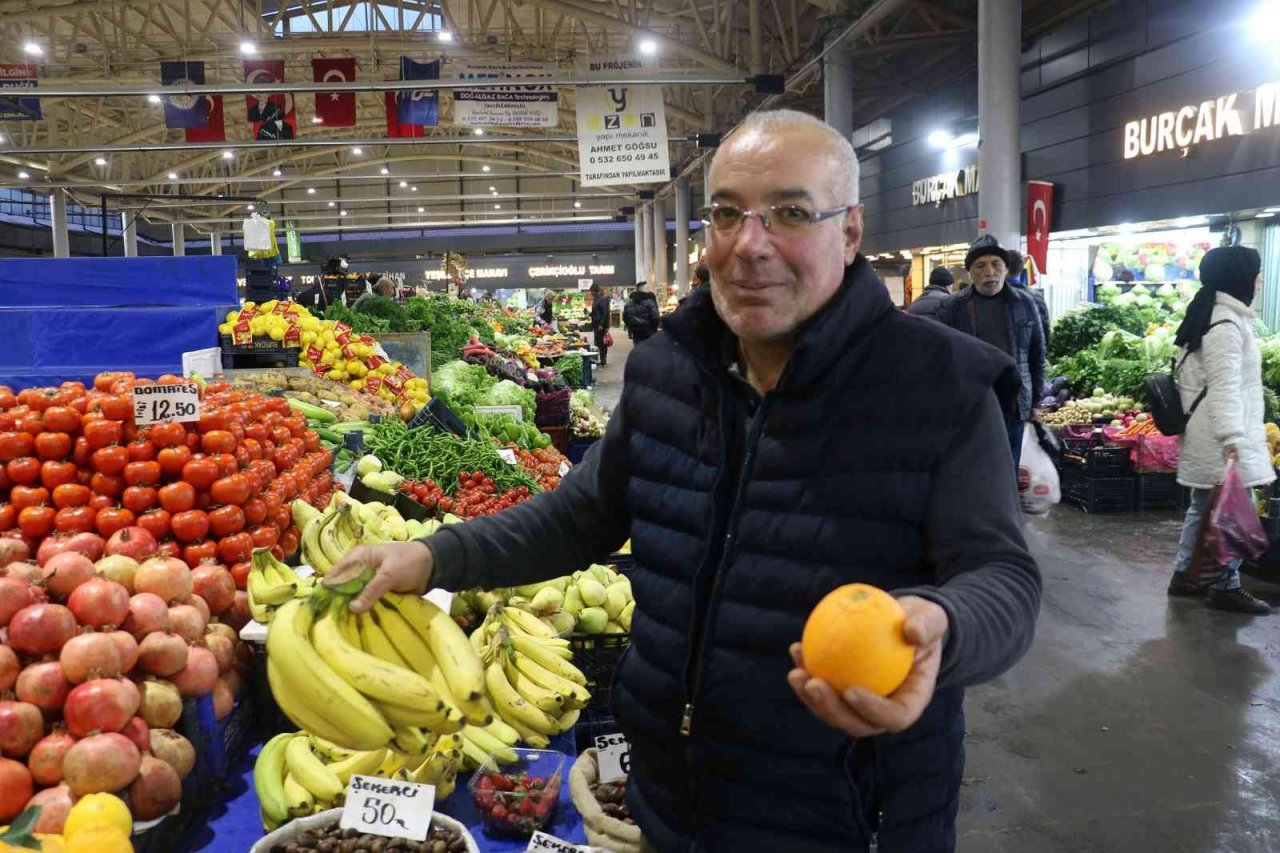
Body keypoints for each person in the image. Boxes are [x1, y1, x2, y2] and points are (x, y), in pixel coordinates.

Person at [324, 109, 1041, 853]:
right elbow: (580, 516)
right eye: (727, 214)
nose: (749, 245)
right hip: (672, 800)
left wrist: (942, 628)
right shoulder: (667, 368)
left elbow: (1005, 579)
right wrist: (436, 555)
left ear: (851, 231)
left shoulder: (939, 383)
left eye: (790, 213)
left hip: (851, 814)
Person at [1167, 245, 1271, 614]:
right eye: (1256, 271)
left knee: (1205, 505)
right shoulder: (1226, 323)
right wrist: (1231, 437)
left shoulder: (1212, 313)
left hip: (1208, 427)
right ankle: (1225, 585)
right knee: (1227, 509)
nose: (1260, 279)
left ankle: (1187, 574)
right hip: (1221, 430)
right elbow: (1226, 384)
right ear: (1238, 275)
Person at [936, 235, 1046, 470]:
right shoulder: (952, 307)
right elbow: (940, 358)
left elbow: (1037, 354)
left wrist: (1036, 401)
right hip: (972, 403)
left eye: (996, 264)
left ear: (1006, 269)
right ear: (969, 273)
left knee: (1009, 467)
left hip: (1015, 402)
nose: (990, 272)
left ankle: (1006, 507)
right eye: (980, 266)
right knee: (975, 467)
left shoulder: (1026, 303)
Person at [1005, 252, 1051, 349]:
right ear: (1022, 269)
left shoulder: (994, 295)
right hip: (1029, 357)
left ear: (1003, 268)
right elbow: (1045, 332)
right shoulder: (1036, 296)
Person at [589, 282, 612, 367]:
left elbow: (605, 313)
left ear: (594, 291)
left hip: (600, 324)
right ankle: (602, 359)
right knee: (600, 342)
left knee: (601, 343)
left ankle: (602, 360)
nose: (591, 293)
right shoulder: (597, 299)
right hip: (597, 324)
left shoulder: (602, 299)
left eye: (591, 291)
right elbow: (597, 311)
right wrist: (591, 314)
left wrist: (602, 325)